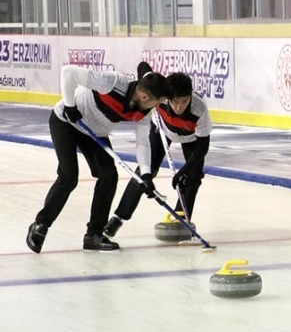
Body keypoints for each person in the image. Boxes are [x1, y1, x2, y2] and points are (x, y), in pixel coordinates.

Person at [26, 62, 172, 253]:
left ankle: (93, 235)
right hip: (66, 121)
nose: (158, 107)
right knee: (69, 176)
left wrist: (145, 174)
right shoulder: (112, 82)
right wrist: (70, 106)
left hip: (95, 133)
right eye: (158, 102)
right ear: (144, 96)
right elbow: (69, 72)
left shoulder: (143, 111)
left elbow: (142, 143)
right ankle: (40, 224)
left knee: (108, 176)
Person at [103, 71, 212, 238]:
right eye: (175, 102)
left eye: (184, 101)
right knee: (145, 171)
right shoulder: (160, 97)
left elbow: (202, 148)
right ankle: (118, 218)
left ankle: (181, 218)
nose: (179, 107)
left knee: (192, 176)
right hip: (162, 131)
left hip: (191, 138)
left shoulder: (199, 109)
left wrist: (184, 171)